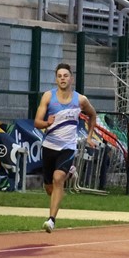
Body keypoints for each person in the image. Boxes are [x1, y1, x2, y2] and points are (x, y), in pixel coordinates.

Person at [33, 63, 98, 233]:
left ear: (71, 79)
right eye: (59, 76)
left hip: (68, 147)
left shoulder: (80, 100)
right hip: (49, 146)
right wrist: (47, 123)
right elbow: (37, 122)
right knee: (50, 188)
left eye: (66, 76)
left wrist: (89, 136)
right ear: (56, 79)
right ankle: (70, 173)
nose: (62, 79)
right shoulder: (48, 97)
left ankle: (51, 220)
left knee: (58, 178)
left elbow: (92, 115)